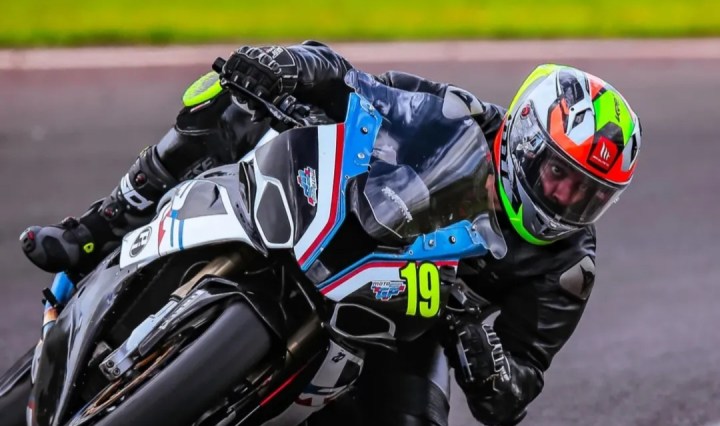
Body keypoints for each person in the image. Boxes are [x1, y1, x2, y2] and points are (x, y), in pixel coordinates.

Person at [16, 41, 642, 425]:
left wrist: (479, 343)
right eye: (561, 176)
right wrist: (290, 66)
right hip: (343, 221)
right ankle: (101, 223)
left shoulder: (567, 265)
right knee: (226, 97)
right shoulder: (461, 115)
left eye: (590, 193)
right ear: (525, 138)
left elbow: (512, 394)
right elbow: (356, 84)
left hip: (408, 328)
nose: (568, 200)